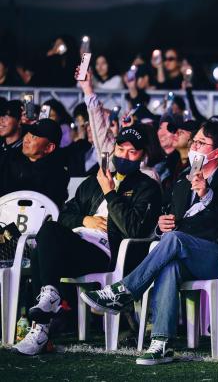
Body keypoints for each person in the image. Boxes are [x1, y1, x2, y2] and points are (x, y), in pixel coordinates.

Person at [80, 121, 218, 364]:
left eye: (201, 143)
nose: (194, 146)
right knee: (169, 266)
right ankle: (162, 343)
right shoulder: (183, 181)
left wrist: (208, 195)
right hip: (184, 252)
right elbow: (176, 222)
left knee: (175, 241)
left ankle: (124, 291)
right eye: (194, 141)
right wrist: (162, 226)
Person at [12, 125, 162, 355]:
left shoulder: (147, 187)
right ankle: (47, 308)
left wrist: (111, 193)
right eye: (121, 149)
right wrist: (85, 219)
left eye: (132, 152)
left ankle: (43, 324)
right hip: (76, 243)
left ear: (142, 155)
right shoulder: (94, 182)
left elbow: (135, 229)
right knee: (46, 235)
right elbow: (65, 214)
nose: (124, 156)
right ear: (113, 150)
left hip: (105, 252)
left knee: (45, 241)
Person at [0, 118, 69, 208]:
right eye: (28, 133)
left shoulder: (57, 173)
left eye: (34, 137)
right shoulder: (10, 158)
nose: (26, 139)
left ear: (49, 147)